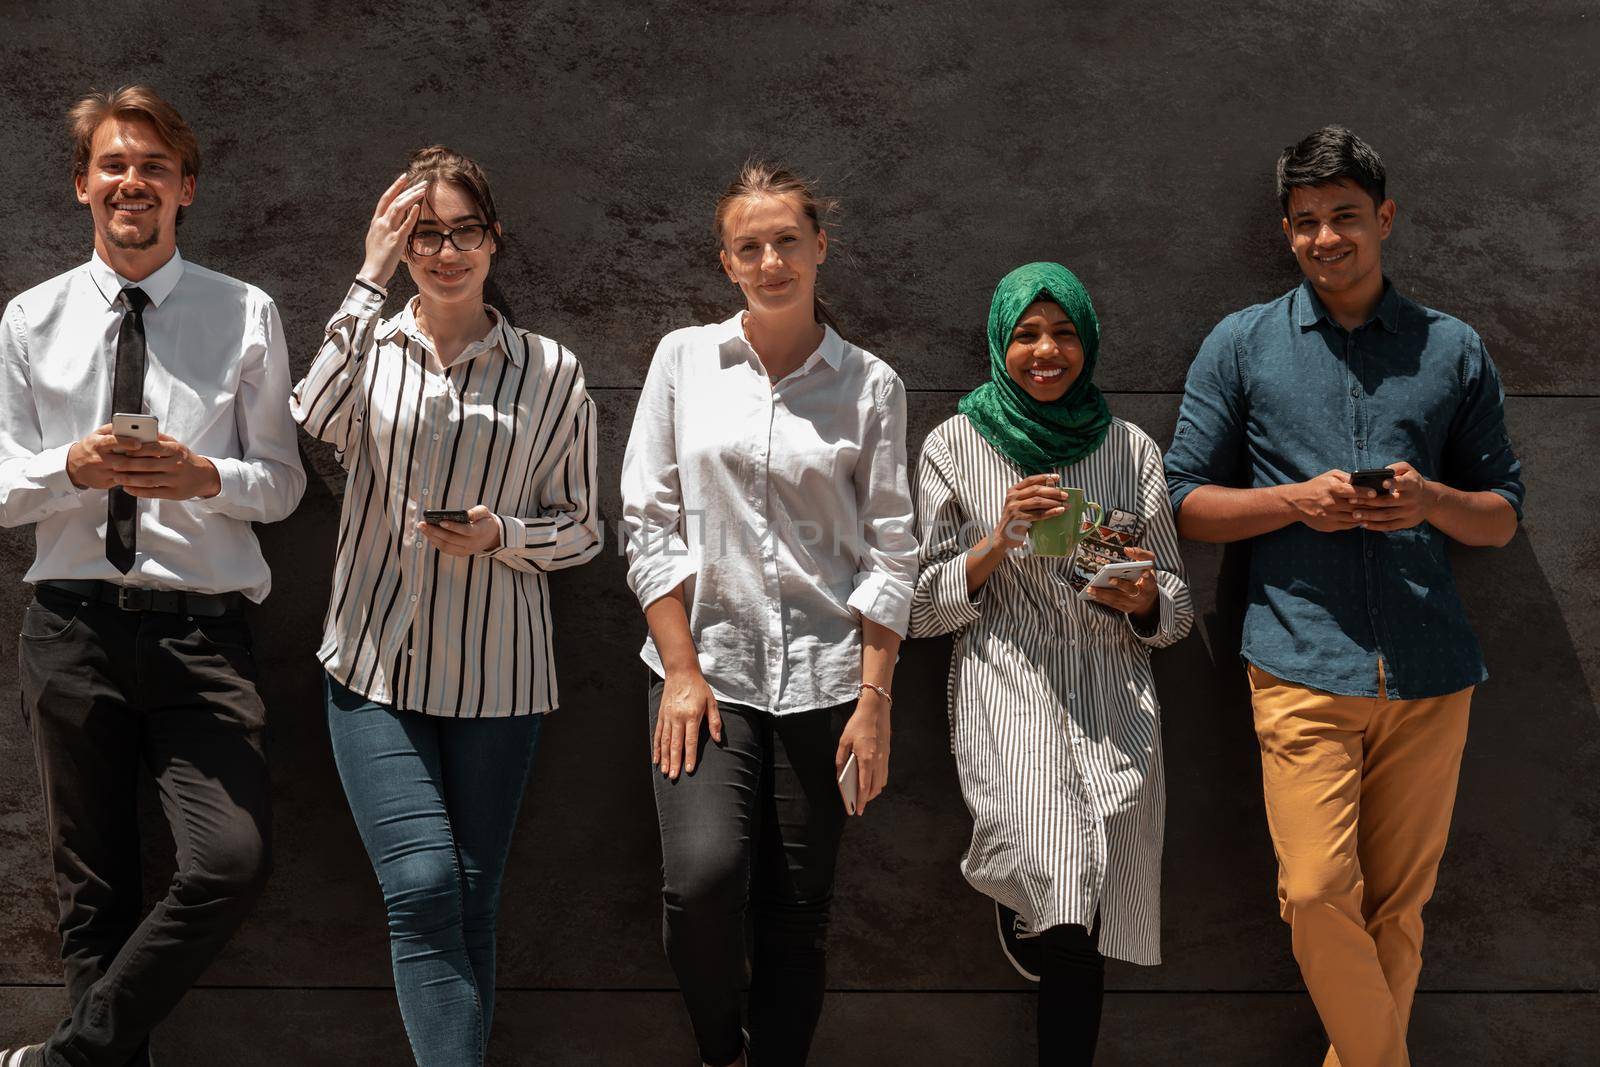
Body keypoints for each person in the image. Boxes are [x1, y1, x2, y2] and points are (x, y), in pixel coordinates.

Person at [1164, 126, 1524, 1067]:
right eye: (1308, 222)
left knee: (1399, 911)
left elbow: (1501, 517)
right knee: (1320, 889)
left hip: (1432, 670)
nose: (1328, 238)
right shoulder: (1242, 344)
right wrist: (1296, 501)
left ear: (1385, 219)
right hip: (1297, 661)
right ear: (1288, 232)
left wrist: (1429, 501)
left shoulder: (1451, 348)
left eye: (1346, 218)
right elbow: (1182, 503)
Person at [0, 86, 305, 1067]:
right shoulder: (29, 319)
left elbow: (285, 484)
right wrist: (70, 470)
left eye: (154, 167)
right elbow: (3, 489)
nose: (133, 181)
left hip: (199, 634)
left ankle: (71, 1056)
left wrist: (203, 475)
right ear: (84, 183)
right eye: (115, 164)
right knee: (94, 890)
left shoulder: (243, 310)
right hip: (71, 627)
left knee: (230, 859)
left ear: (186, 190)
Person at [290, 147, 600, 1066]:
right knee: (423, 884)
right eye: (425, 233)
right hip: (373, 664)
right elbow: (312, 413)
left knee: (468, 894)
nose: (446, 250)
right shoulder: (375, 346)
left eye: (463, 230)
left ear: (493, 240)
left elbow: (583, 530)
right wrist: (367, 274)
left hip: (499, 677)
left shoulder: (551, 373)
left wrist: (502, 532)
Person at [619, 162, 918, 1067]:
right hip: (706, 668)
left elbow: (892, 550)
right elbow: (647, 519)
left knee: (798, 906)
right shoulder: (683, 359)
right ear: (727, 262)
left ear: (821, 246)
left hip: (829, 680)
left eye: (788, 239)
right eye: (750, 245)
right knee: (702, 882)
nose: (771, 258)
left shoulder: (869, 384)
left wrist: (875, 698)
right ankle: (722, 1051)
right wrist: (678, 669)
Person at [910, 261, 1192, 1065]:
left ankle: (1034, 899)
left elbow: (1175, 604)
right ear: (1000, 341)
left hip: (1114, 693)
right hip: (1010, 683)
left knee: (1087, 902)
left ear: (1088, 341)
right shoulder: (953, 445)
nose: (1046, 350)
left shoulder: (1130, 447)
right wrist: (997, 540)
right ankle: (1035, 893)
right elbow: (920, 606)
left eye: (1064, 332)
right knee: (1066, 883)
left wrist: (1140, 596)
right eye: (1027, 333)